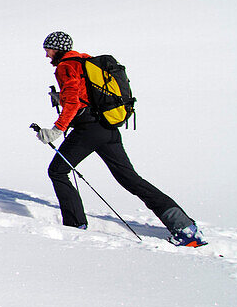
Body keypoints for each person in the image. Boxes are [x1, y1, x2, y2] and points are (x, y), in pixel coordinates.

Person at [36, 31, 206, 246]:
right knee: (131, 180)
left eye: (48, 49)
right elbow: (83, 96)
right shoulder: (86, 61)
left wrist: (56, 129)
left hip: (88, 129)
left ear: (58, 48)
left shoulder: (66, 66)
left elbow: (73, 103)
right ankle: (184, 226)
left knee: (57, 171)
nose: (47, 55)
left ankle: (75, 224)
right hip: (108, 128)